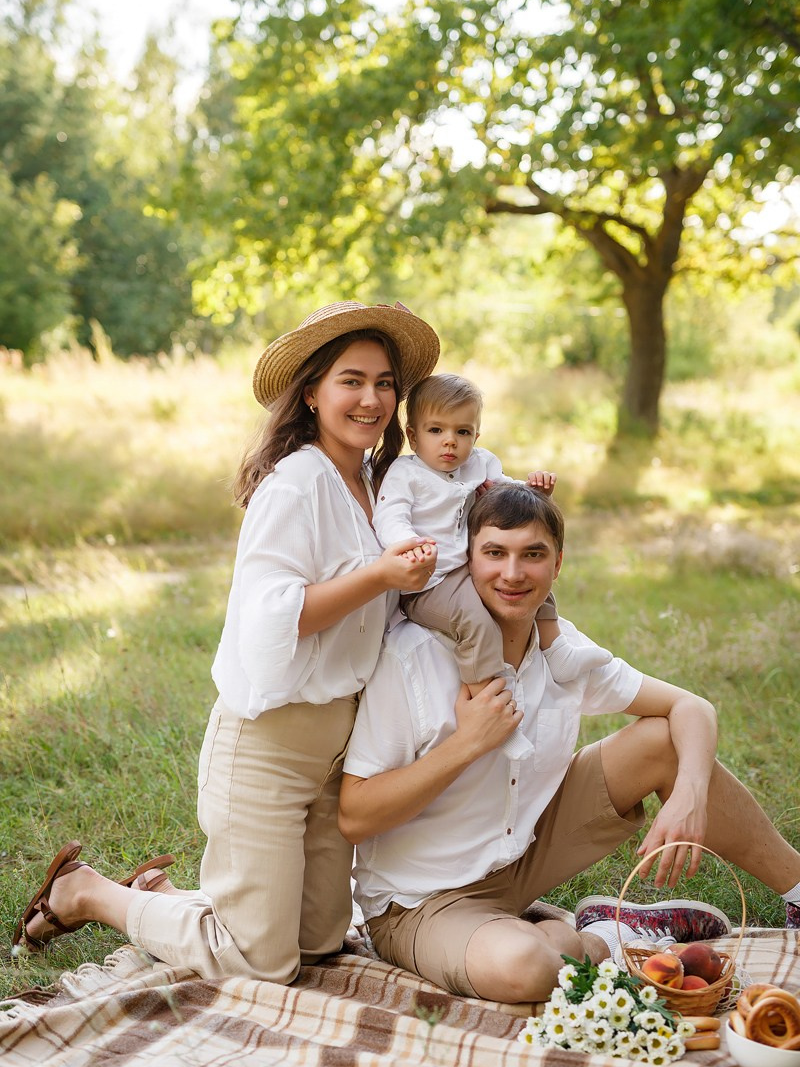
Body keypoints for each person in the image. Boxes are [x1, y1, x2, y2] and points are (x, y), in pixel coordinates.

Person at [13, 299, 442, 984]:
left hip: (339, 746)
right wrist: (380, 573)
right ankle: (89, 892)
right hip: (267, 744)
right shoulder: (296, 483)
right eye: (351, 381)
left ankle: (165, 900)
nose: (371, 399)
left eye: (385, 383)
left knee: (321, 941)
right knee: (262, 960)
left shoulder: (369, 482)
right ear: (311, 393)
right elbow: (272, 616)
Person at [339, 484, 800, 1003]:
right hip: (421, 900)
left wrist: (690, 791)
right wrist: (467, 743)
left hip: (525, 850)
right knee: (528, 969)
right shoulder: (413, 658)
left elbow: (691, 708)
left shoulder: (560, 649)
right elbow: (355, 815)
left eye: (532, 555)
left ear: (557, 565)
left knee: (668, 742)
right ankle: (608, 936)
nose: (512, 574)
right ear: (466, 560)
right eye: (494, 553)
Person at [373, 372, 611, 692]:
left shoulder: (479, 463)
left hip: (470, 565)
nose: (450, 441)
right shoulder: (406, 473)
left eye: (462, 431)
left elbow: (506, 497)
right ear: (413, 437)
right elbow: (390, 515)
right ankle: (485, 699)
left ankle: (558, 651)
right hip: (430, 579)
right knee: (477, 622)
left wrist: (534, 491)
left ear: (476, 435)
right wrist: (409, 544)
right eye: (436, 430)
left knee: (533, 583)